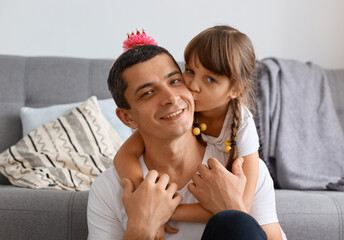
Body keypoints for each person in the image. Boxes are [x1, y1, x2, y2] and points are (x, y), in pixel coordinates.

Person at [87, 43, 282, 239]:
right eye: (148, 93)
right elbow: (125, 154)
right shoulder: (108, 190)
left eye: (174, 81)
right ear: (127, 118)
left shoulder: (240, 170)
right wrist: (140, 228)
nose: (171, 98)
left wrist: (234, 209)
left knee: (234, 222)